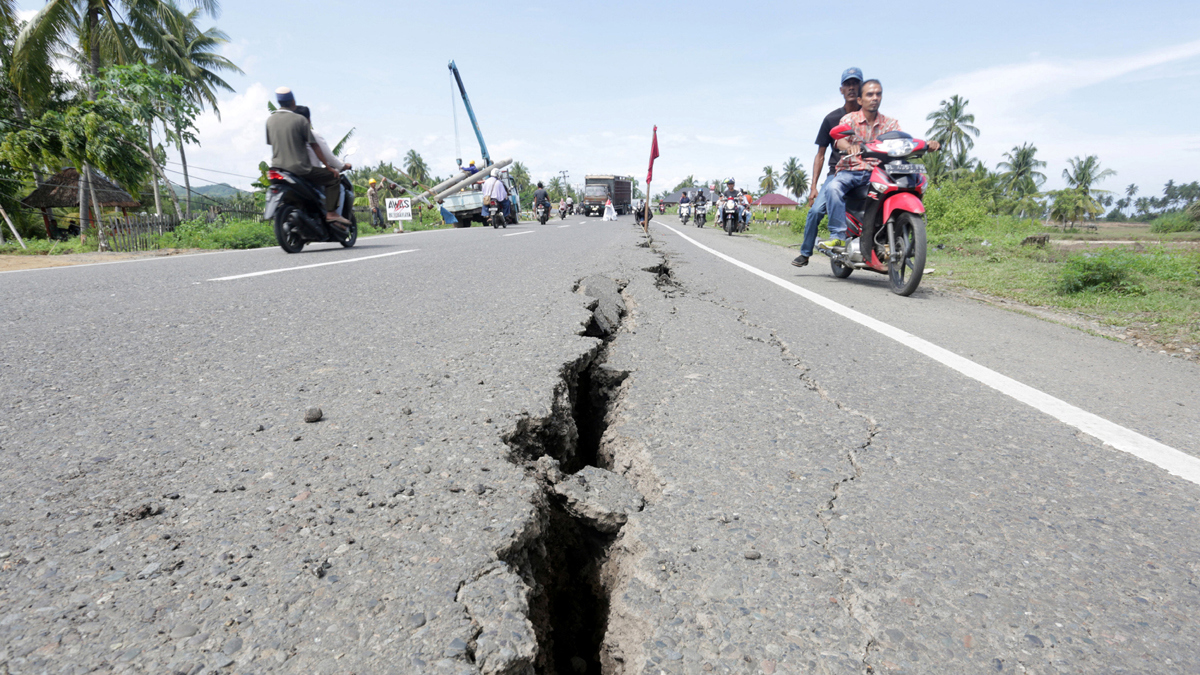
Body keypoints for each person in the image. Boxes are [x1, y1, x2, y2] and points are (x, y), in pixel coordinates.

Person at [822, 79, 940, 269]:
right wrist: (850, 146)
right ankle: (837, 236)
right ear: (860, 100)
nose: (874, 98)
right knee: (833, 188)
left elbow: (904, 141)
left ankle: (894, 233)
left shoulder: (890, 123)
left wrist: (928, 144)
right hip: (852, 169)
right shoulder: (849, 120)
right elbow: (840, 141)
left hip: (880, 170)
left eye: (878, 94)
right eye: (870, 94)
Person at [793, 67, 862, 267]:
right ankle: (805, 253)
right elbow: (820, 155)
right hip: (838, 173)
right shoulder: (831, 119)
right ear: (841, 89)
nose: (851, 88)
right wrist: (814, 187)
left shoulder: (870, 119)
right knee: (815, 212)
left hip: (865, 172)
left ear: (861, 87)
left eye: (855, 83)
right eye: (847, 84)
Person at [264, 87, 349, 231]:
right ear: (293, 102)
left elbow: (271, 142)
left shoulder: (270, 120)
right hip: (300, 169)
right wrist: (328, 167)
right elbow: (315, 146)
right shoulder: (300, 120)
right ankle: (331, 213)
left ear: (278, 102)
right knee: (333, 178)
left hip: (276, 168)